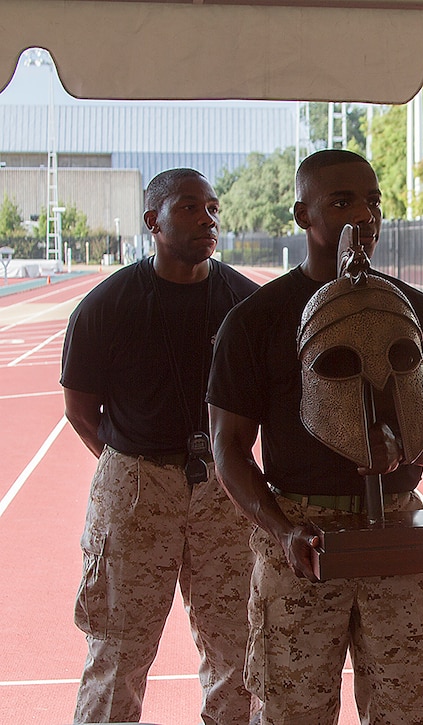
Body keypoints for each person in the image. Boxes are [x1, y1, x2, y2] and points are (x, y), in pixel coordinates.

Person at [207, 148, 423, 725]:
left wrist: (407, 446)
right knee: (290, 711)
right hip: (303, 542)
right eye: (342, 200)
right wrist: (280, 530)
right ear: (302, 215)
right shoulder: (257, 320)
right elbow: (227, 448)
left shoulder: (417, 313)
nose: (364, 214)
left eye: (373, 200)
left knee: (410, 710)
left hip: (396, 537)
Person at [61, 168, 260, 724]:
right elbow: (80, 412)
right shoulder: (107, 306)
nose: (208, 218)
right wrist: (136, 470)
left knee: (238, 651)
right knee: (118, 651)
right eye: (191, 207)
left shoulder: (246, 306)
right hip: (137, 488)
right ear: (154, 220)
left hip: (225, 488)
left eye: (213, 208)